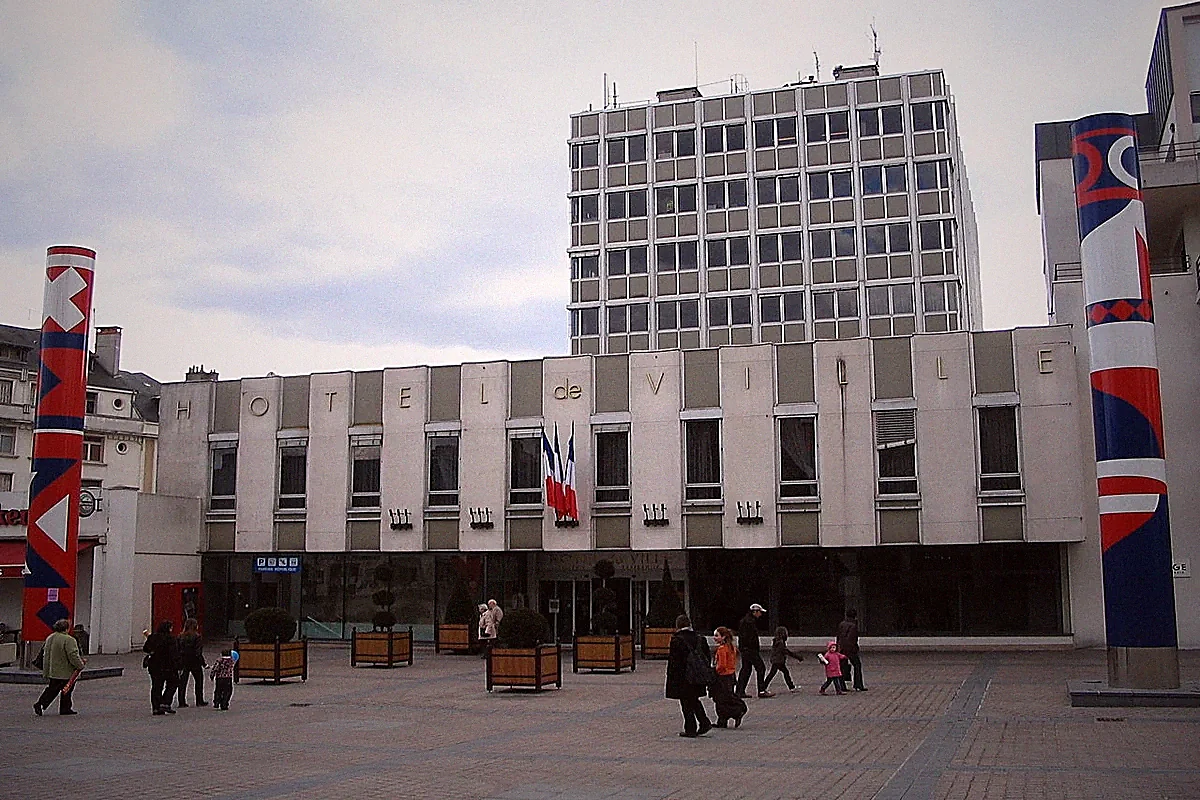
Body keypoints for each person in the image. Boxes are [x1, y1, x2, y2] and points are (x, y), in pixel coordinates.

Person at [665, 613, 712, 738]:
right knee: (694, 699)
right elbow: (707, 657)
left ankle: (691, 728)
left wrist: (672, 680)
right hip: (698, 675)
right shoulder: (700, 638)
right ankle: (704, 722)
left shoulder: (677, 640)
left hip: (684, 677)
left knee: (686, 702)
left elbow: (674, 663)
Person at [33, 618, 85, 716]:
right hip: (65, 671)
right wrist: (80, 665)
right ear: (67, 628)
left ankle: (40, 703)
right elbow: (72, 654)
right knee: (67, 689)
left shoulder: (50, 637)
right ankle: (65, 708)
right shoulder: (69, 640)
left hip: (53, 669)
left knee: (52, 689)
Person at [709, 626, 747, 728]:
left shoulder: (721, 649)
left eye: (717, 636)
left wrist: (714, 671)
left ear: (723, 637)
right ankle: (723, 720)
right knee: (726, 698)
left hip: (722, 677)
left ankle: (735, 713)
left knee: (720, 700)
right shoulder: (731, 648)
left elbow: (721, 665)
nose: (714, 638)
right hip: (730, 675)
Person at [735, 603, 773, 698]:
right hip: (750, 649)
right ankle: (761, 690)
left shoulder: (745, 621)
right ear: (755, 612)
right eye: (759, 612)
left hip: (745, 649)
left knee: (746, 669)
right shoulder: (749, 622)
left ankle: (740, 691)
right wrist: (752, 648)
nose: (760, 614)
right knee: (761, 668)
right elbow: (749, 637)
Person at [143, 620, 180, 715]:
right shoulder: (171, 639)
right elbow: (174, 653)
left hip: (154, 665)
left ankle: (156, 707)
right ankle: (165, 702)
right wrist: (178, 665)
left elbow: (145, 649)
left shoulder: (153, 637)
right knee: (173, 683)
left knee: (156, 686)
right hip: (168, 666)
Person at [176, 618, 208, 707]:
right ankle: (199, 700)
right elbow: (198, 652)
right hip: (195, 662)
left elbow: (177, 650)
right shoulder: (197, 636)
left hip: (183, 661)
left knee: (182, 682)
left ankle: (181, 701)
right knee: (199, 681)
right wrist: (203, 663)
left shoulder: (180, 636)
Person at [763, 626, 804, 693]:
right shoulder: (781, 643)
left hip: (776, 660)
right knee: (774, 674)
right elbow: (786, 651)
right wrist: (797, 657)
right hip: (778, 661)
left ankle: (791, 687)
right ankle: (763, 687)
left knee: (782, 673)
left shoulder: (776, 641)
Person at [836, 608, 867, 691]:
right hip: (850, 649)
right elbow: (853, 639)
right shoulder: (853, 626)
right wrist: (855, 648)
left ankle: (842, 686)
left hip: (842, 648)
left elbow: (838, 636)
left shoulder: (841, 624)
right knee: (857, 665)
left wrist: (837, 647)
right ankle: (858, 684)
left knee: (842, 667)